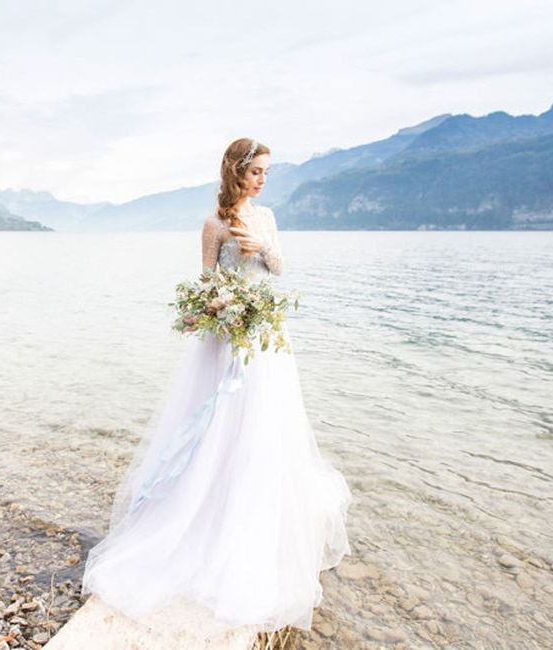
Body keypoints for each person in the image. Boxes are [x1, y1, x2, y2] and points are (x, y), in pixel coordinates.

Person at [45, 138, 351, 649]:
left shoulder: (267, 217)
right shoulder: (212, 225)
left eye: (266, 172)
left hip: (266, 345)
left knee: (263, 430)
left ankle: (256, 517)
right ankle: (203, 515)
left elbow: (280, 270)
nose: (261, 180)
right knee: (217, 429)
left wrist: (264, 249)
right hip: (225, 344)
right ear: (234, 172)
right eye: (254, 172)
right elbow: (207, 282)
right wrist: (205, 310)